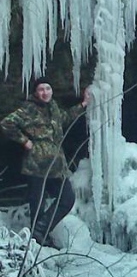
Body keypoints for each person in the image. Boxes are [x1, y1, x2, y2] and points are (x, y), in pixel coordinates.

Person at [0, 77, 91, 247]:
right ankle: (36, 240)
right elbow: (6, 123)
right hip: (36, 165)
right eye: (41, 89)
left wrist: (84, 103)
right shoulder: (28, 110)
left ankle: (41, 229)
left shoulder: (54, 108)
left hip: (56, 166)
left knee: (67, 199)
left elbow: (65, 118)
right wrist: (24, 141)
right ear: (35, 92)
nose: (45, 92)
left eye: (47, 88)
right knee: (37, 202)